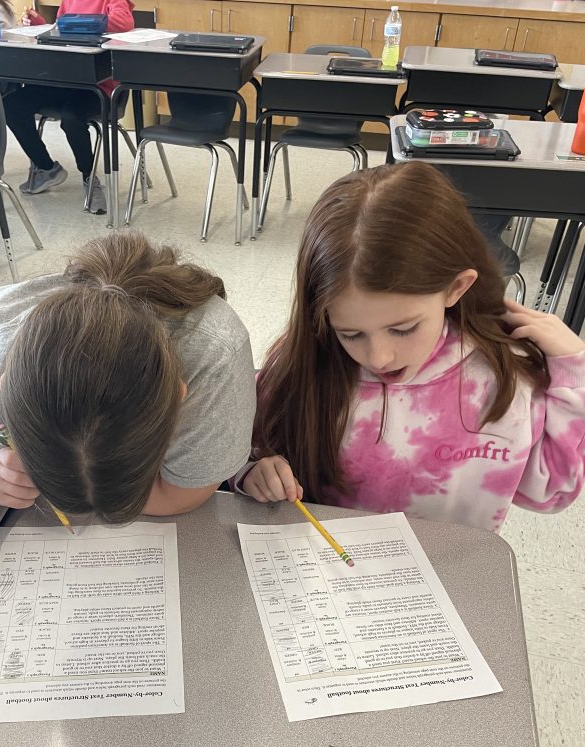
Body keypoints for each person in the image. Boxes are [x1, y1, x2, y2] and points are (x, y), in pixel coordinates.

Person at [237, 162, 585, 532]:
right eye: (351, 334)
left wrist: (574, 373)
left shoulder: (504, 379)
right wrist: (251, 473)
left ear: (456, 288)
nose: (378, 357)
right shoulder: (302, 366)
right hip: (326, 569)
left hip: (450, 573)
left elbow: (551, 493)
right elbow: (247, 452)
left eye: (403, 329)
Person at [0, 231, 256, 521]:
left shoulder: (214, 359)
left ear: (180, 397)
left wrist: (104, 496)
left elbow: (183, 494)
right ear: (4, 383)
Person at [2, 0, 134, 213]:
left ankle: (89, 178)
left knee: (71, 118)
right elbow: (58, 29)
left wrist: (82, 24)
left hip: (97, 86)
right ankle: (46, 168)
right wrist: (38, 23)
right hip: (64, 80)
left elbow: (124, 21)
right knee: (12, 105)